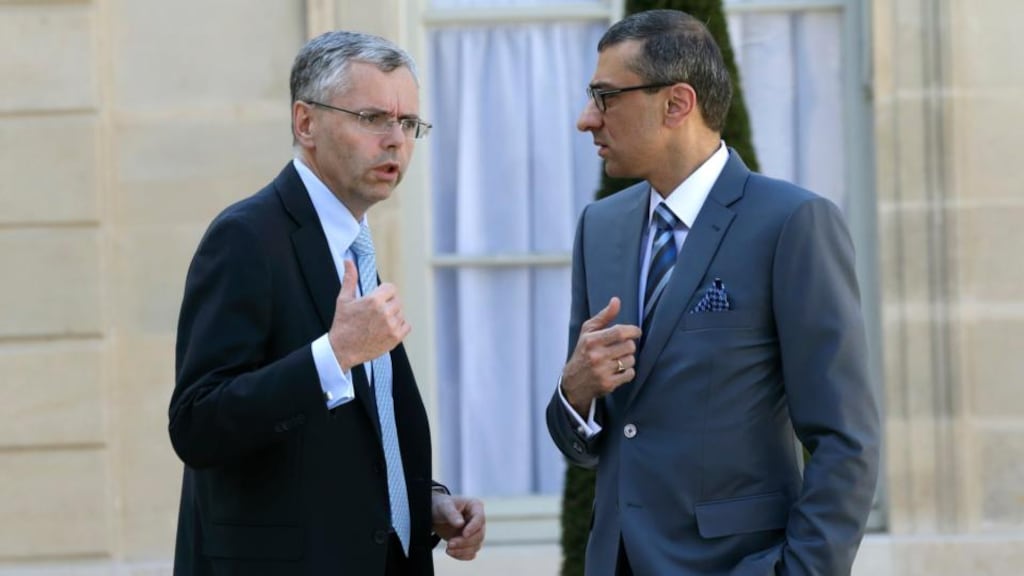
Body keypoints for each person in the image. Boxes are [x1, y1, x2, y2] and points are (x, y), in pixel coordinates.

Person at [546, 9, 880, 576]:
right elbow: (590, 442)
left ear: (677, 104)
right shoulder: (598, 227)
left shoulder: (792, 222)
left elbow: (846, 440)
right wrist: (574, 393)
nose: (586, 120)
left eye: (605, 97)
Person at [169, 30, 485, 576]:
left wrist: (421, 501)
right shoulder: (247, 237)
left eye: (409, 123)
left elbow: (361, 430)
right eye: (372, 118)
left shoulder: (351, 242)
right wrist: (332, 356)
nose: (396, 141)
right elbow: (197, 425)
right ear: (305, 123)